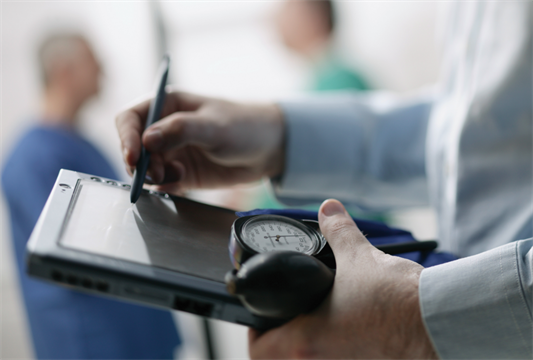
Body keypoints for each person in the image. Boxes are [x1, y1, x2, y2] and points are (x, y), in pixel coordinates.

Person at [116, 1, 532, 359]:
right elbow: (479, 138)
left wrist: (418, 323)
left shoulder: (337, 74)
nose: (273, 16)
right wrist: (278, 139)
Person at [2, 33, 180, 359]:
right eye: (93, 61)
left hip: (134, 330)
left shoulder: (83, 146)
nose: (103, 71)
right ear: (63, 71)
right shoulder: (34, 157)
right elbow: (78, 254)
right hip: (92, 339)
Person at [275, 0, 370, 92]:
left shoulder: (337, 81)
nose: (278, 19)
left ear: (314, 17)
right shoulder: (321, 76)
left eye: (288, 9)